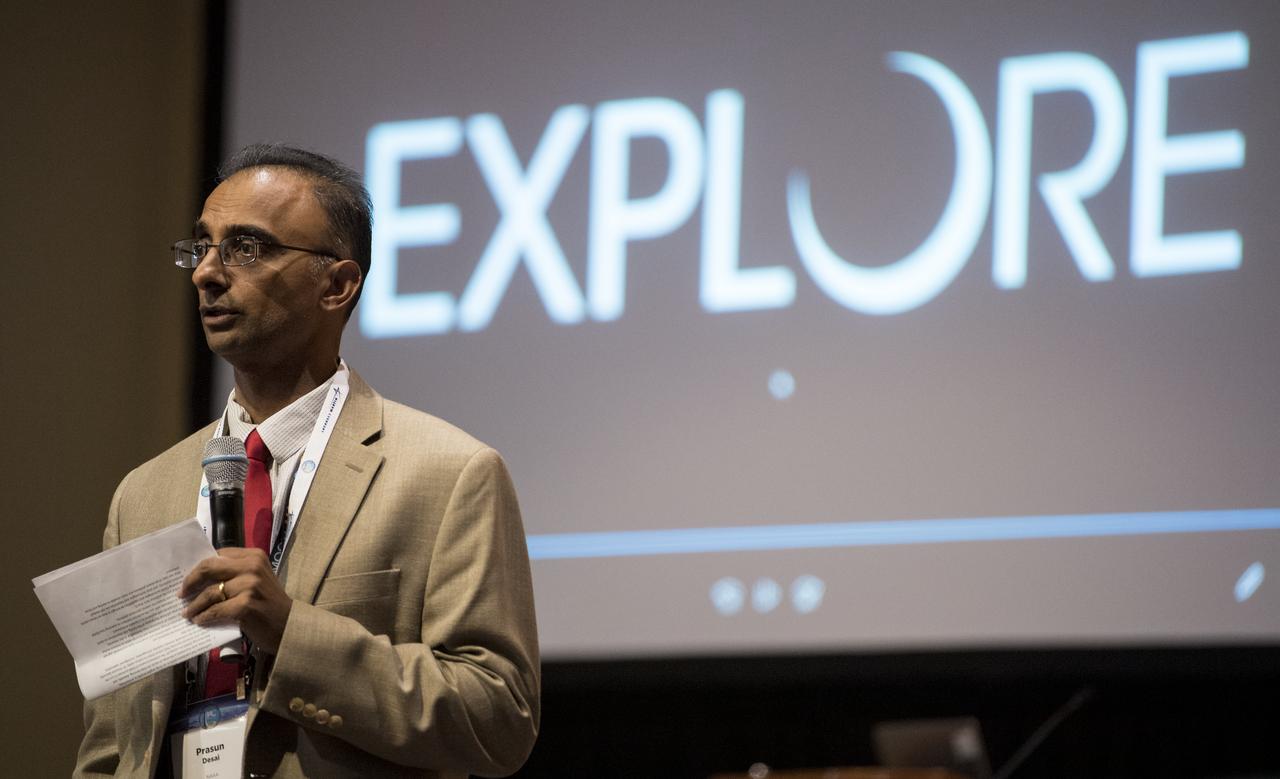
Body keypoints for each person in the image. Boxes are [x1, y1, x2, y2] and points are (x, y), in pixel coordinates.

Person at [75, 144, 540, 778]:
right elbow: (112, 746)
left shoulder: (450, 474)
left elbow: (499, 719)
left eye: (246, 248)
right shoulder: (144, 493)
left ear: (338, 285)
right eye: (203, 247)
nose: (206, 273)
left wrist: (292, 631)